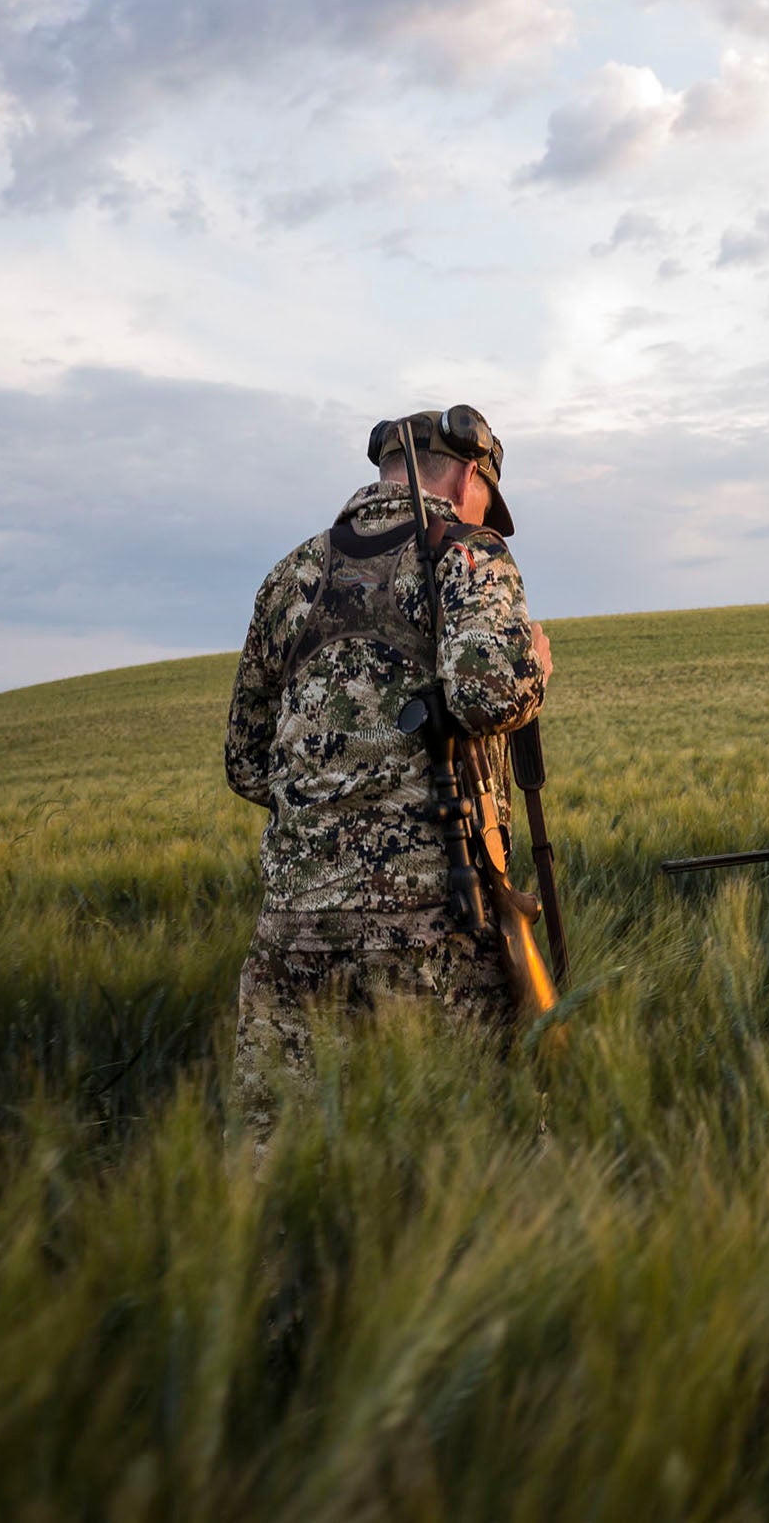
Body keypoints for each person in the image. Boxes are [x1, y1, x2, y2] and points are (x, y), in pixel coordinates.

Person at [222, 405, 552, 1140]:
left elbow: (246, 764)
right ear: (472, 476)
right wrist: (535, 662)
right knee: (466, 1156)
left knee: (278, 1163)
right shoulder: (471, 553)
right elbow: (486, 692)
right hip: (433, 927)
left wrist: (335, 813)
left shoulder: (289, 577)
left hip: (294, 928)